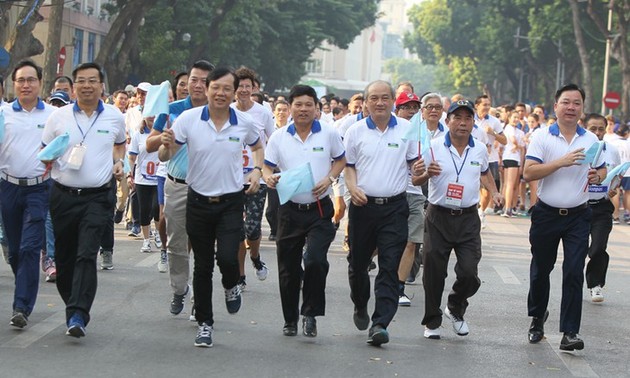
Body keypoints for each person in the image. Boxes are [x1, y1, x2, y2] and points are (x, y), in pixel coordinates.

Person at [160, 67, 263, 348]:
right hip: (198, 201)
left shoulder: (243, 122)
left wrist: (256, 171)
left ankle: (232, 285)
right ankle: (205, 323)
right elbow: (166, 154)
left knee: (228, 258)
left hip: (230, 202)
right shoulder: (188, 119)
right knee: (203, 266)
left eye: (226, 89)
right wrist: (165, 147)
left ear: (234, 92)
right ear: (207, 89)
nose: (220, 93)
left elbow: (258, 148)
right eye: (215, 87)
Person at [42, 62, 126, 338]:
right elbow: (45, 150)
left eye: (92, 81)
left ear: (102, 85)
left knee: (87, 254)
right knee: (64, 258)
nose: (87, 85)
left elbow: (120, 143)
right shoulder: (58, 117)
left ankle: (78, 313)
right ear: (73, 85)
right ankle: (73, 301)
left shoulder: (114, 116)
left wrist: (119, 161)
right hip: (63, 196)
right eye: (81, 81)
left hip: (98, 196)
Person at [524, 84, 606, 351]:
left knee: (573, 271)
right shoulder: (541, 136)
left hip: (579, 216)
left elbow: (602, 170)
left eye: (577, 103)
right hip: (546, 214)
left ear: (582, 108)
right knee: (541, 270)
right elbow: (529, 173)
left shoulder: (591, 140)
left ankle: (570, 331)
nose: (571, 107)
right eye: (566, 102)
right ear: (556, 105)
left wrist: (597, 176)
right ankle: (537, 317)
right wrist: (561, 161)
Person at [413, 100, 502, 340]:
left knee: (469, 273)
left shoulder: (480, 149)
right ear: (447, 120)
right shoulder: (432, 147)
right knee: (434, 272)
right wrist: (424, 174)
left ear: (473, 122)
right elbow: (415, 180)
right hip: (438, 216)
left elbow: (484, 172)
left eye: (468, 119)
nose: (463, 123)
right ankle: (432, 320)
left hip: (468, 218)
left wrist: (494, 192)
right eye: (457, 118)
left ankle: (455, 306)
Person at [263, 84, 345, 338]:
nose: (303, 109)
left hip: (319, 209)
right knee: (288, 268)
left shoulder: (328, 134)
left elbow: (341, 159)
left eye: (309, 104)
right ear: (290, 108)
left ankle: (310, 313)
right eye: (298, 104)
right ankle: (290, 319)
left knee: (315, 261)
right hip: (289, 209)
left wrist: (330, 178)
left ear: (317, 108)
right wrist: (269, 178)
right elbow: (267, 167)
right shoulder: (279, 137)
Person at [344, 80, 417, 346]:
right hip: (363, 208)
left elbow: (414, 168)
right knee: (357, 265)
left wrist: (421, 174)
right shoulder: (354, 132)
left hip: (395, 208)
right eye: (374, 98)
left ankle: (380, 323)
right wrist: (352, 188)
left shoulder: (408, 130)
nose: (379, 103)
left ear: (392, 101)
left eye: (385, 97)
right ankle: (360, 304)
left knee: (388, 267)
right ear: (366, 102)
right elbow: (348, 166)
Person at [147, 60, 214, 316]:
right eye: (192, 80)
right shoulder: (172, 110)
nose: (196, 85)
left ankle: (200, 297)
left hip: (209, 190)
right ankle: (179, 289)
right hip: (177, 186)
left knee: (204, 245)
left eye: (203, 81)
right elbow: (150, 144)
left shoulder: (219, 113)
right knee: (176, 244)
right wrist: (162, 138)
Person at [0, 60, 56, 328]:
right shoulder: (3, 113)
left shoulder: (53, 115)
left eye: (30, 80)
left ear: (40, 82)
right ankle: (25, 278)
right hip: (7, 186)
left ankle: (21, 306)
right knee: (14, 251)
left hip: (38, 187)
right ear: (14, 84)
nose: (25, 85)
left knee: (30, 248)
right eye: (20, 80)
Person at [231, 67, 273, 289]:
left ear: (254, 88)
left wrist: (269, 170)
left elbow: (272, 142)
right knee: (237, 229)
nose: (244, 90)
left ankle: (255, 258)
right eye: (240, 86)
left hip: (257, 178)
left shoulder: (263, 113)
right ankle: (240, 276)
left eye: (248, 86)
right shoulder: (227, 111)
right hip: (231, 179)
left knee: (252, 228)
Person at [584, 113, 619, 303]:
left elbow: (616, 174)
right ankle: (571, 283)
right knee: (578, 249)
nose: (597, 133)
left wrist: (613, 188)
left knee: (598, 247)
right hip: (580, 206)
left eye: (600, 129)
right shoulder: (580, 149)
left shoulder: (612, 150)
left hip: (602, 207)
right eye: (593, 129)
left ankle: (595, 284)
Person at [393, 91, 424, 306]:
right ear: (398, 110)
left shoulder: (425, 133)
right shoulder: (390, 131)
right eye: (407, 107)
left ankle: (399, 287)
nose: (412, 111)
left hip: (415, 193)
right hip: (392, 194)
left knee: (411, 243)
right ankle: (362, 258)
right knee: (386, 242)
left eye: (415, 107)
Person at [265, 100, 291, 241]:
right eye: (279, 110)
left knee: (286, 205)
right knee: (272, 207)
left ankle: (285, 230)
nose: (281, 113)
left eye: (284, 110)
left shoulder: (293, 129)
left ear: (289, 112)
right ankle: (274, 229)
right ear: (274, 112)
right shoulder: (269, 130)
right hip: (273, 172)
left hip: (288, 171)